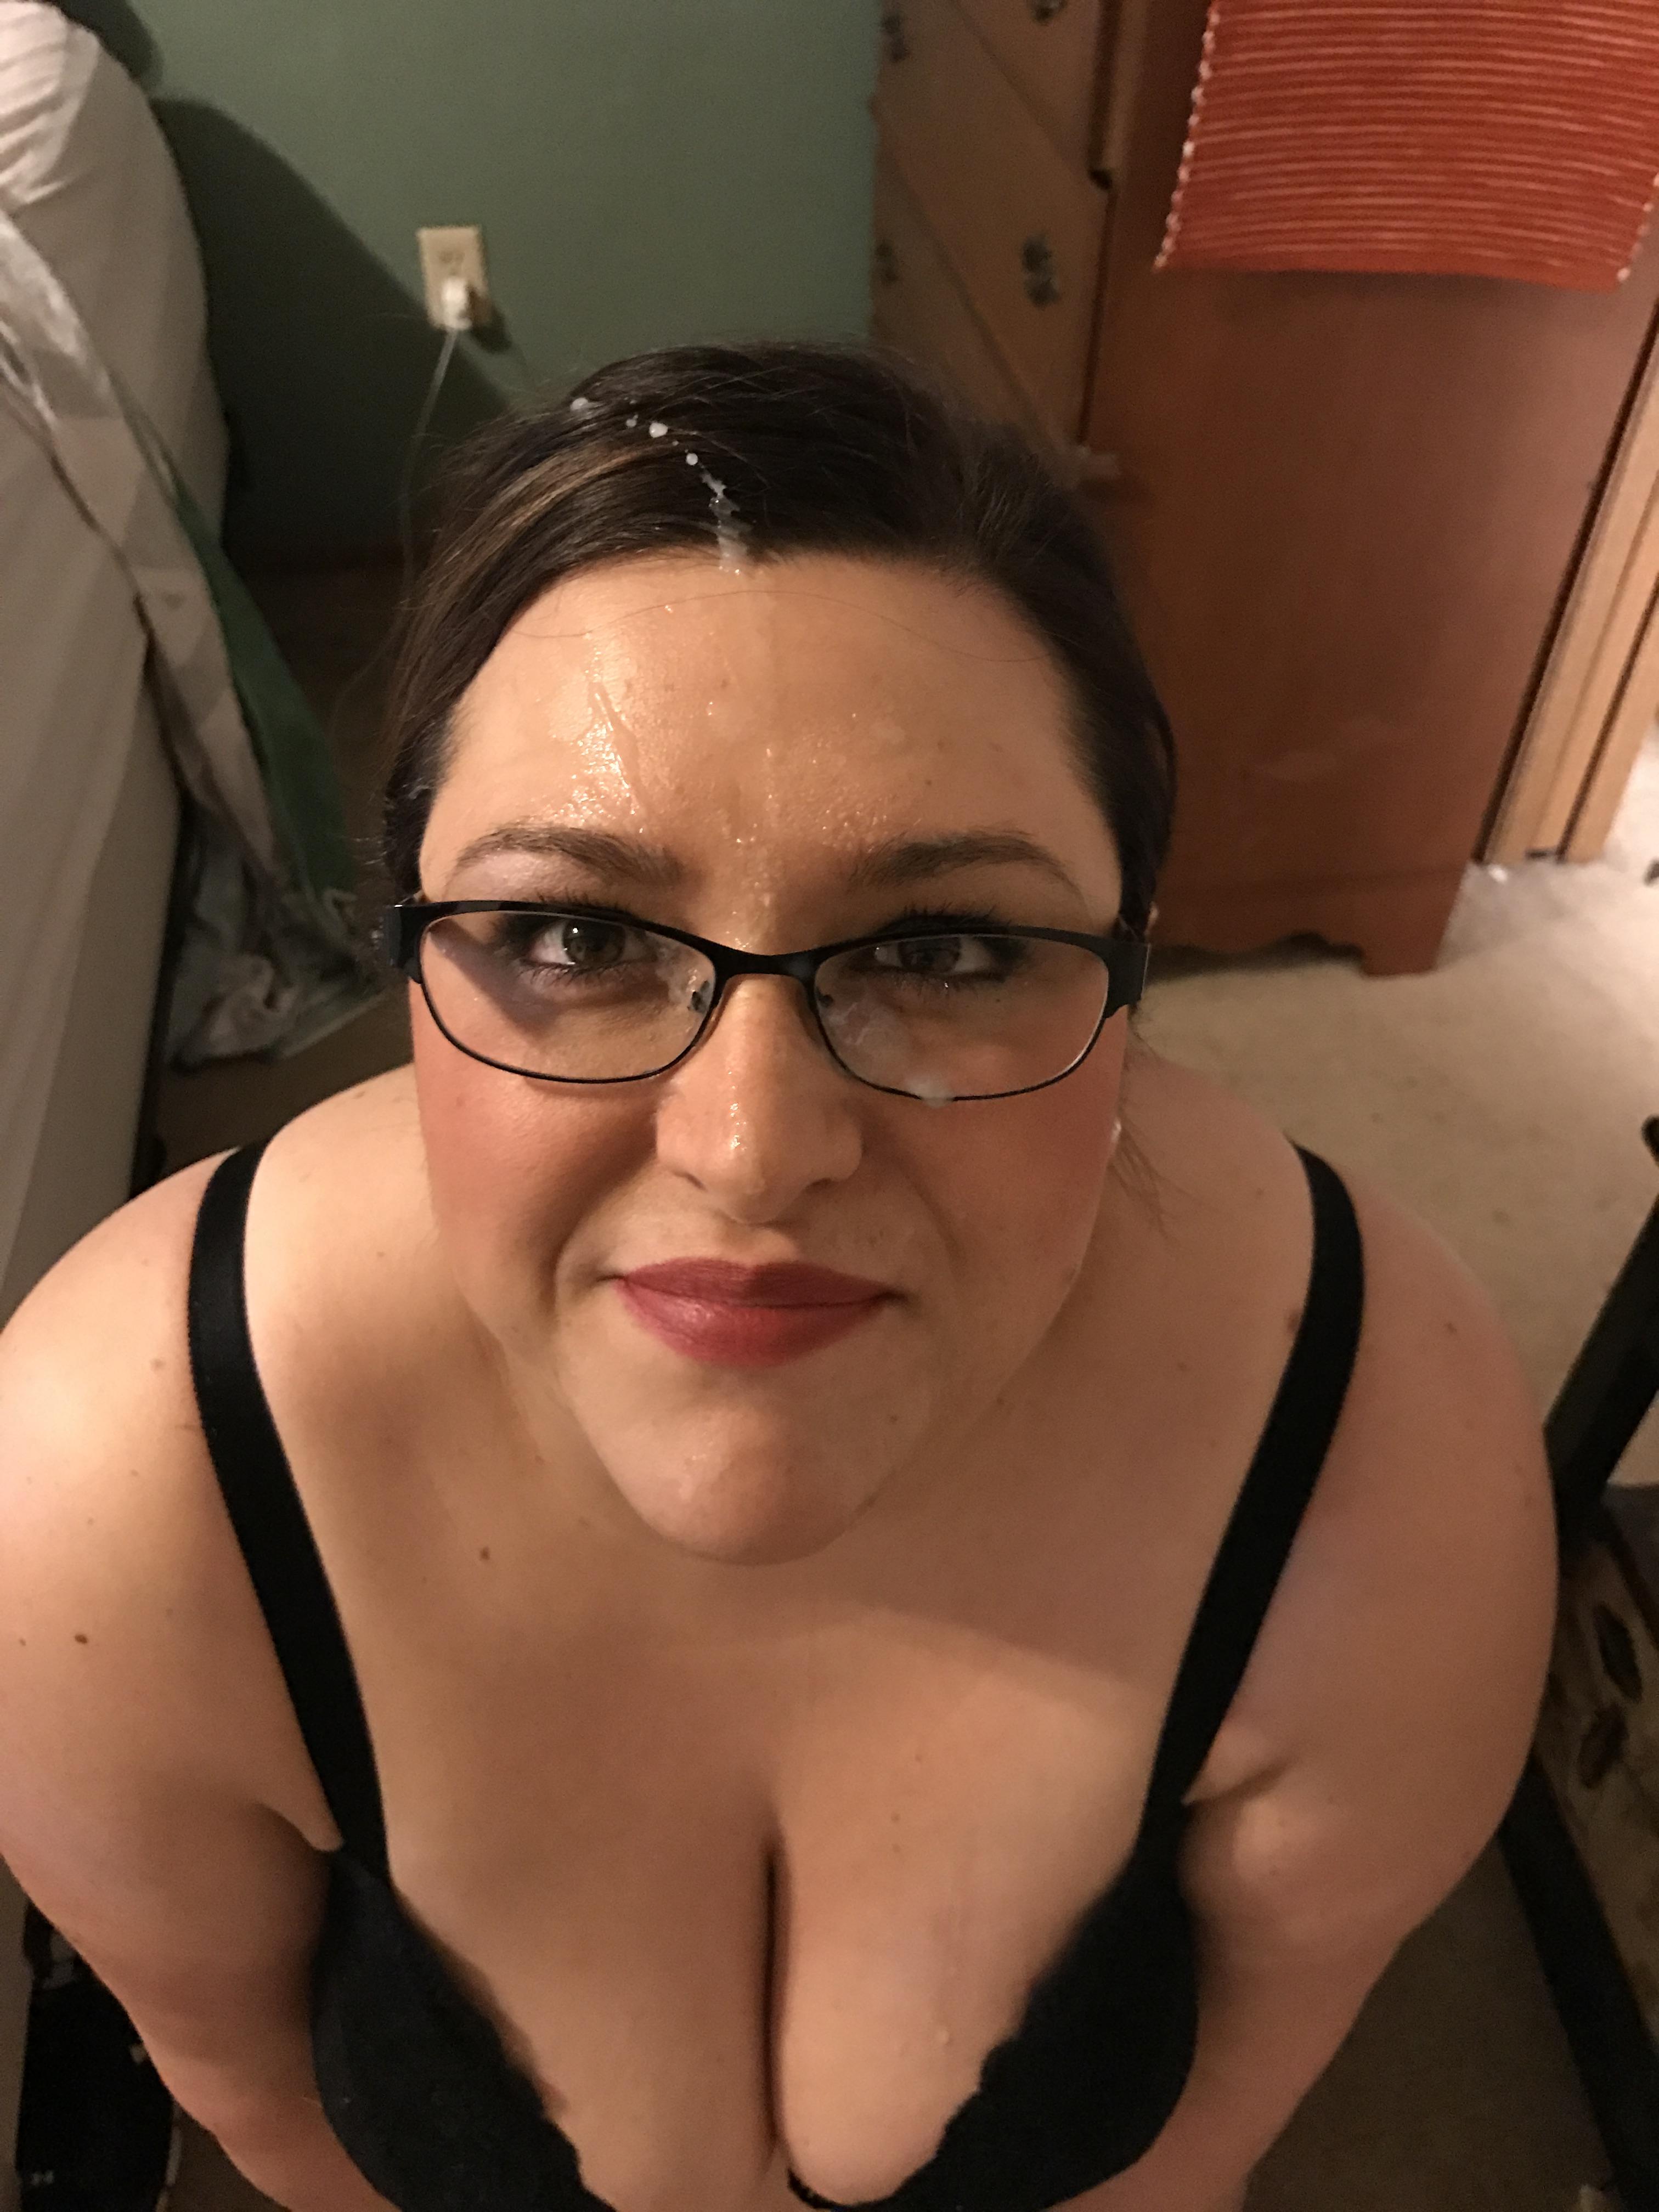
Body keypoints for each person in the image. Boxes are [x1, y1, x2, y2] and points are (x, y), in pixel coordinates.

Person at [0, 342, 1556, 2212]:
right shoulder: (108, 1502)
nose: (750, 1151)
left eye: (948, 948)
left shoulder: (1383, 1465)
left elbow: (1204, 2146)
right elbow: (266, 2116)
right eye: (571, 934)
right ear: (403, 947)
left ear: (1127, 968)